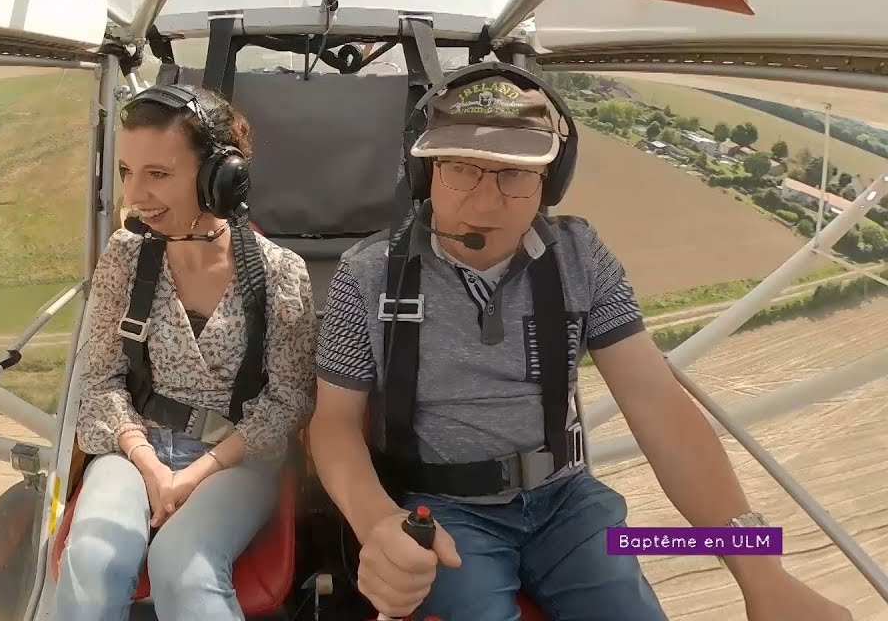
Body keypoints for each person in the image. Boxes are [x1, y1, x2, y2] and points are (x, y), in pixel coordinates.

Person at [306, 61, 852, 621]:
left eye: (515, 174)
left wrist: (764, 572)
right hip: (442, 510)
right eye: (462, 169)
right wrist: (377, 521)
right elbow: (333, 423)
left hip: (569, 505)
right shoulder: (368, 274)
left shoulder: (580, 259)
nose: (487, 201)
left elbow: (657, 404)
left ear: (550, 181)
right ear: (425, 172)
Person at [54, 83, 318, 621]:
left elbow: (289, 400)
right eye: (127, 173)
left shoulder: (278, 273)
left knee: (185, 564)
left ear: (220, 178)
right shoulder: (126, 259)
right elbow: (102, 380)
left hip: (236, 459)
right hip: (136, 448)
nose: (135, 196)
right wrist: (150, 465)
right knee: (92, 554)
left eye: (158, 174)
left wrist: (194, 476)